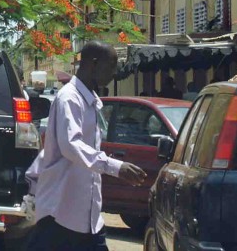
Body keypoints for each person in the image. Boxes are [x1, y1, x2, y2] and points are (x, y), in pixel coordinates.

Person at [24, 41, 148, 251]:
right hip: (60, 213)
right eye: (111, 66)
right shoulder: (69, 99)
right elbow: (71, 146)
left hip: (86, 218)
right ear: (93, 63)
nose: (114, 73)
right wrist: (116, 167)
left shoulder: (89, 101)